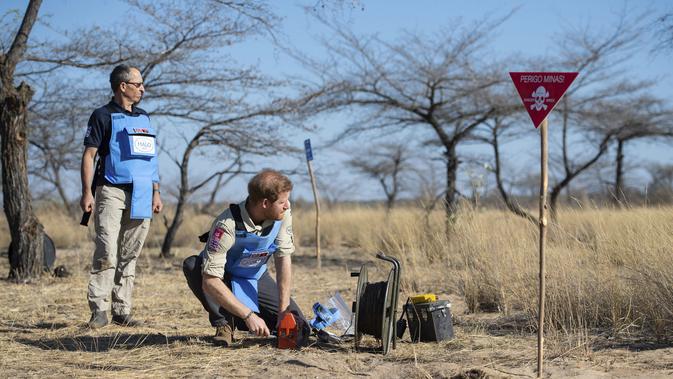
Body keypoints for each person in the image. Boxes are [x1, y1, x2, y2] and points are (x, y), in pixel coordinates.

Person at [182, 169, 307, 346]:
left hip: (255, 275)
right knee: (193, 265)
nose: (287, 205)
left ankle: (244, 317)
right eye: (282, 202)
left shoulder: (282, 214)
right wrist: (248, 315)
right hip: (223, 277)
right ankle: (225, 323)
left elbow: (283, 258)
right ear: (265, 203)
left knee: (299, 328)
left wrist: (283, 310)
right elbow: (210, 281)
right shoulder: (226, 226)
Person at [80, 64, 163, 329]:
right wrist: (86, 192)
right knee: (107, 250)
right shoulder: (102, 115)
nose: (142, 89)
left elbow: (150, 160)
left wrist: (156, 192)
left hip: (141, 193)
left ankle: (121, 309)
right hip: (111, 191)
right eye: (138, 84)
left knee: (130, 254)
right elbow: (89, 155)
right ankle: (99, 310)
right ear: (122, 86)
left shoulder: (144, 117)